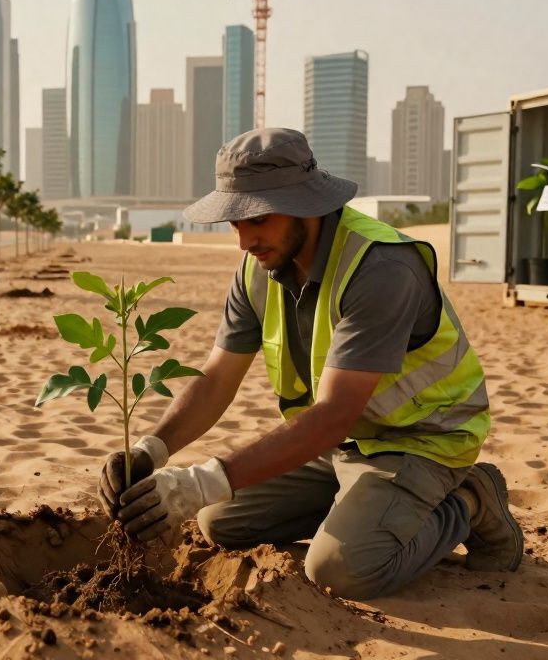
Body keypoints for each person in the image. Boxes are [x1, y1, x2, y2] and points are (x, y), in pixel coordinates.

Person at [96, 127, 522, 600]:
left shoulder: (380, 267)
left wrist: (203, 479)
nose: (244, 241)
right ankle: (365, 508)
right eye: (234, 222)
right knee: (219, 521)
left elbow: (334, 413)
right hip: (339, 443)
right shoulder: (258, 269)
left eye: (256, 217)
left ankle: (470, 500)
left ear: (305, 203)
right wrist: (153, 449)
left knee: (342, 569)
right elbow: (217, 378)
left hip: (421, 440)